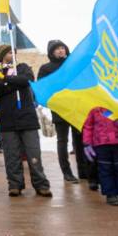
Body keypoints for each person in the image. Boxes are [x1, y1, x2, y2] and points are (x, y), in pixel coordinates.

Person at [0, 44, 52, 198]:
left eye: (14, 52)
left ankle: (41, 184)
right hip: (7, 119)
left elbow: (27, 80)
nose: (12, 54)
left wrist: (5, 79)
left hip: (27, 117)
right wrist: (6, 85)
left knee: (33, 153)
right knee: (11, 155)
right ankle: (15, 184)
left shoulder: (23, 67)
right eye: (9, 52)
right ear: (2, 55)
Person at [36, 40, 81, 183]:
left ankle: (84, 170)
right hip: (60, 108)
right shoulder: (46, 68)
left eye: (63, 47)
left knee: (79, 139)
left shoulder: (73, 65)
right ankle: (67, 172)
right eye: (57, 49)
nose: (61, 50)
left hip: (76, 106)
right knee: (62, 140)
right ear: (51, 52)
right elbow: (42, 88)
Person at [81, 107, 118, 206]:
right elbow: (88, 126)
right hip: (101, 144)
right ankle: (111, 194)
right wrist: (87, 143)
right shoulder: (94, 109)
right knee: (105, 169)